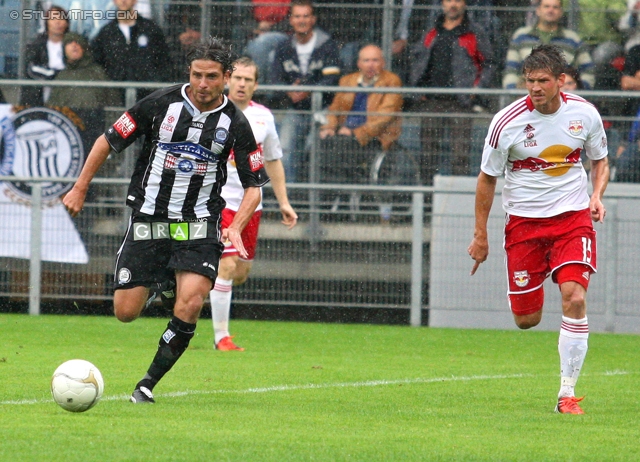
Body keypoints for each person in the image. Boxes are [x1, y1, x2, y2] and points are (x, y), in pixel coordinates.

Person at [62, 37, 270, 403]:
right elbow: (107, 140)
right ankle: (164, 283)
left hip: (199, 223)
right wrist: (79, 188)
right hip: (150, 217)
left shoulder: (236, 124)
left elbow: (255, 186)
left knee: (190, 303)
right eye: (196, 75)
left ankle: (147, 384)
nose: (202, 84)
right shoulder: (161, 103)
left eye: (211, 77)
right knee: (125, 313)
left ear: (225, 77)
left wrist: (234, 226)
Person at [468, 44, 609, 414]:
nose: (534, 87)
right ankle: (541, 274)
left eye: (543, 80)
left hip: (572, 220)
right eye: (529, 80)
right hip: (524, 224)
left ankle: (567, 393)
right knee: (526, 319)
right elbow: (486, 180)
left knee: (575, 297)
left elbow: (600, 160)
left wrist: (596, 194)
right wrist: (480, 235)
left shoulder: (585, 114)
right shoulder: (506, 122)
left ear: (560, 81)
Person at [210, 57, 298, 351]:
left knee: (240, 273)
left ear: (255, 85)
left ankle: (197, 277)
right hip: (219, 202)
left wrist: (283, 202)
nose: (242, 84)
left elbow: (272, 160)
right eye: (237, 78)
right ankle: (222, 336)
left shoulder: (264, 117)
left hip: (251, 206)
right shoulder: (212, 113)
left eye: (248, 80)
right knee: (227, 264)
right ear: (227, 81)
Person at [408, 0, 495, 184]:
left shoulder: (474, 32)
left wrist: (476, 90)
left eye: (457, 0)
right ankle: (427, 204)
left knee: (460, 154)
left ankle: (455, 204)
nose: (452, 5)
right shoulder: (432, 30)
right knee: (428, 155)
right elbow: (418, 57)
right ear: (441, 4)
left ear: (464, 4)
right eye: (448, 0)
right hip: (432, 101)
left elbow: (488, 63)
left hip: (461, 103)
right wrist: (419, 87)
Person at [270, 0, 341, 182]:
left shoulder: (328, 44)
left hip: (323, 109)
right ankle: (288, 204)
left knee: (315, 151)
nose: (302, 20)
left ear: (313, 19)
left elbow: (333, 79)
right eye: (297, 16)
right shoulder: (283, 47)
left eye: (306, 16)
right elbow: (275, 80)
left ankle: (312, 205)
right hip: (295, 110)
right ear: (291, 20)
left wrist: (309, 90)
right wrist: (289, 91)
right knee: (284, 150)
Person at [318, 44, 403, 183]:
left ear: (383, 62)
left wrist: (355, 132)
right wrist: (330, 127)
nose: (370, 65)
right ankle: (330, 195)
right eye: (366, 60)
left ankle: (339, 194)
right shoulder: (347, 81)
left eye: (375, 60)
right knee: (321, 143)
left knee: (340, 149)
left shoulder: (392, 81)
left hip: (375, 136)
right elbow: (334, 109)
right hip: (344, 133)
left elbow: (384, 117)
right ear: (359, 63)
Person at [502, 0, 595, 90]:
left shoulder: (573, 39)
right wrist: (514, 93)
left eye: (555, 7)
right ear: (538, 10)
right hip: (527, 97)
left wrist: (581, 93)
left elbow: (588, 70)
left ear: (561, 12)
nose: (550, 10)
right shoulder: (521, 36)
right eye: (546, 6)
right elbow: (511, 69)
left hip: (562, 100)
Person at [90, 0, 169, 101]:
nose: (123, 1)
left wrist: (154, 82)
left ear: (135, 1)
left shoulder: (150, 29)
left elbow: (163, 60)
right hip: (115, 97)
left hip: (147, 96)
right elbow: (98, 62)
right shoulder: (106, 33)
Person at [48, 33, 120, 109]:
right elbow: (53, 107)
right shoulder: (61, 77)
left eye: (78, 42)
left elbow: (113, 105)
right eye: (69, 43)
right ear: (64, 50)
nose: (74, 45)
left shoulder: (97, 73)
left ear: (84, 48)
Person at [21, 5, 69, 107]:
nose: (58, 22)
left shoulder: (74, 44)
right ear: (47, 22)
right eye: (53, 18)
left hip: (68, 97)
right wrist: (58, 76)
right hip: (39, 98)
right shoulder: (36, 45)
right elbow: (32, 68)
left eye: (61, 18)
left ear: (67, 22)